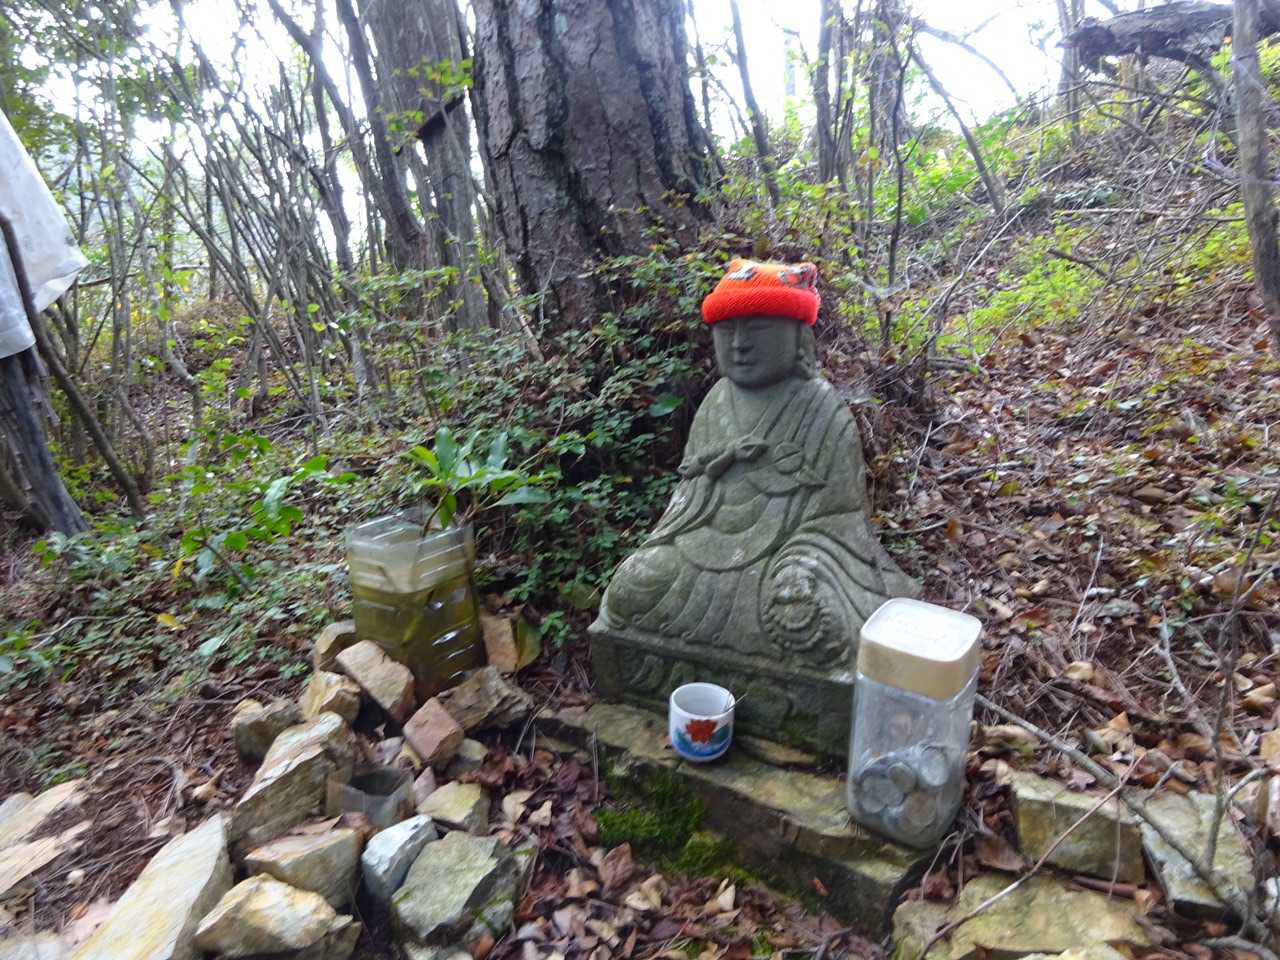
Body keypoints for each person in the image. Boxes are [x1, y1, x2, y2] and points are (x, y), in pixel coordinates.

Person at [594, 259, 917, 670]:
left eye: (758, 331)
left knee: (806, 615)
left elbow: (838, 518)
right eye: (726, 332)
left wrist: (799, 563)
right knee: (630, 589)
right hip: (702, 547)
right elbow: (687, 496)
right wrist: (717, 468)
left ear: (797, 338)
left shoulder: (822, 409)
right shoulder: (715, 401)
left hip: (791, 555)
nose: (739, 345)